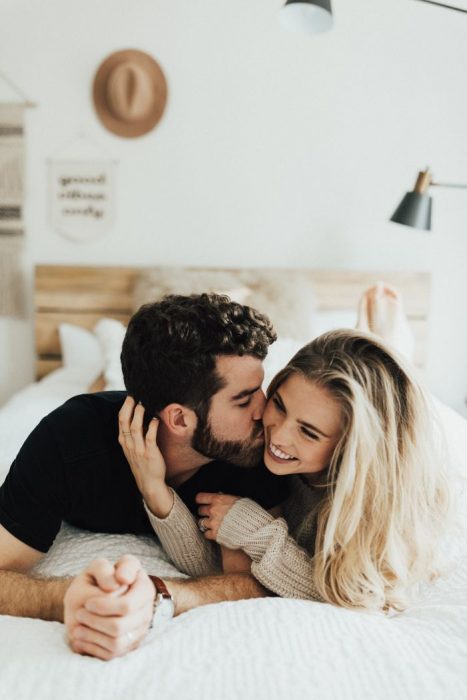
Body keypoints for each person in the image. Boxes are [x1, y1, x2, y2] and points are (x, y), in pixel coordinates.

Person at [0, 293, 287, 657]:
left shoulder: (252, 448)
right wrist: (68, 597)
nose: (266, 411)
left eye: (261, 388)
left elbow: (252, 581)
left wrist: (155, 594)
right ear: (179, 419)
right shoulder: (70, 441)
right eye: (244, 400)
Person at [113, 328, 450, 615]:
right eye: (280, 405)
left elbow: (356, 599)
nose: (277, 435)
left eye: (309, 432)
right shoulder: (253, 456)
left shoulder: (377, 503)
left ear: (352, 449)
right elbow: (216, 570)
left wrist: (258, 531)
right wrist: (154, 488)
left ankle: (389, 331)